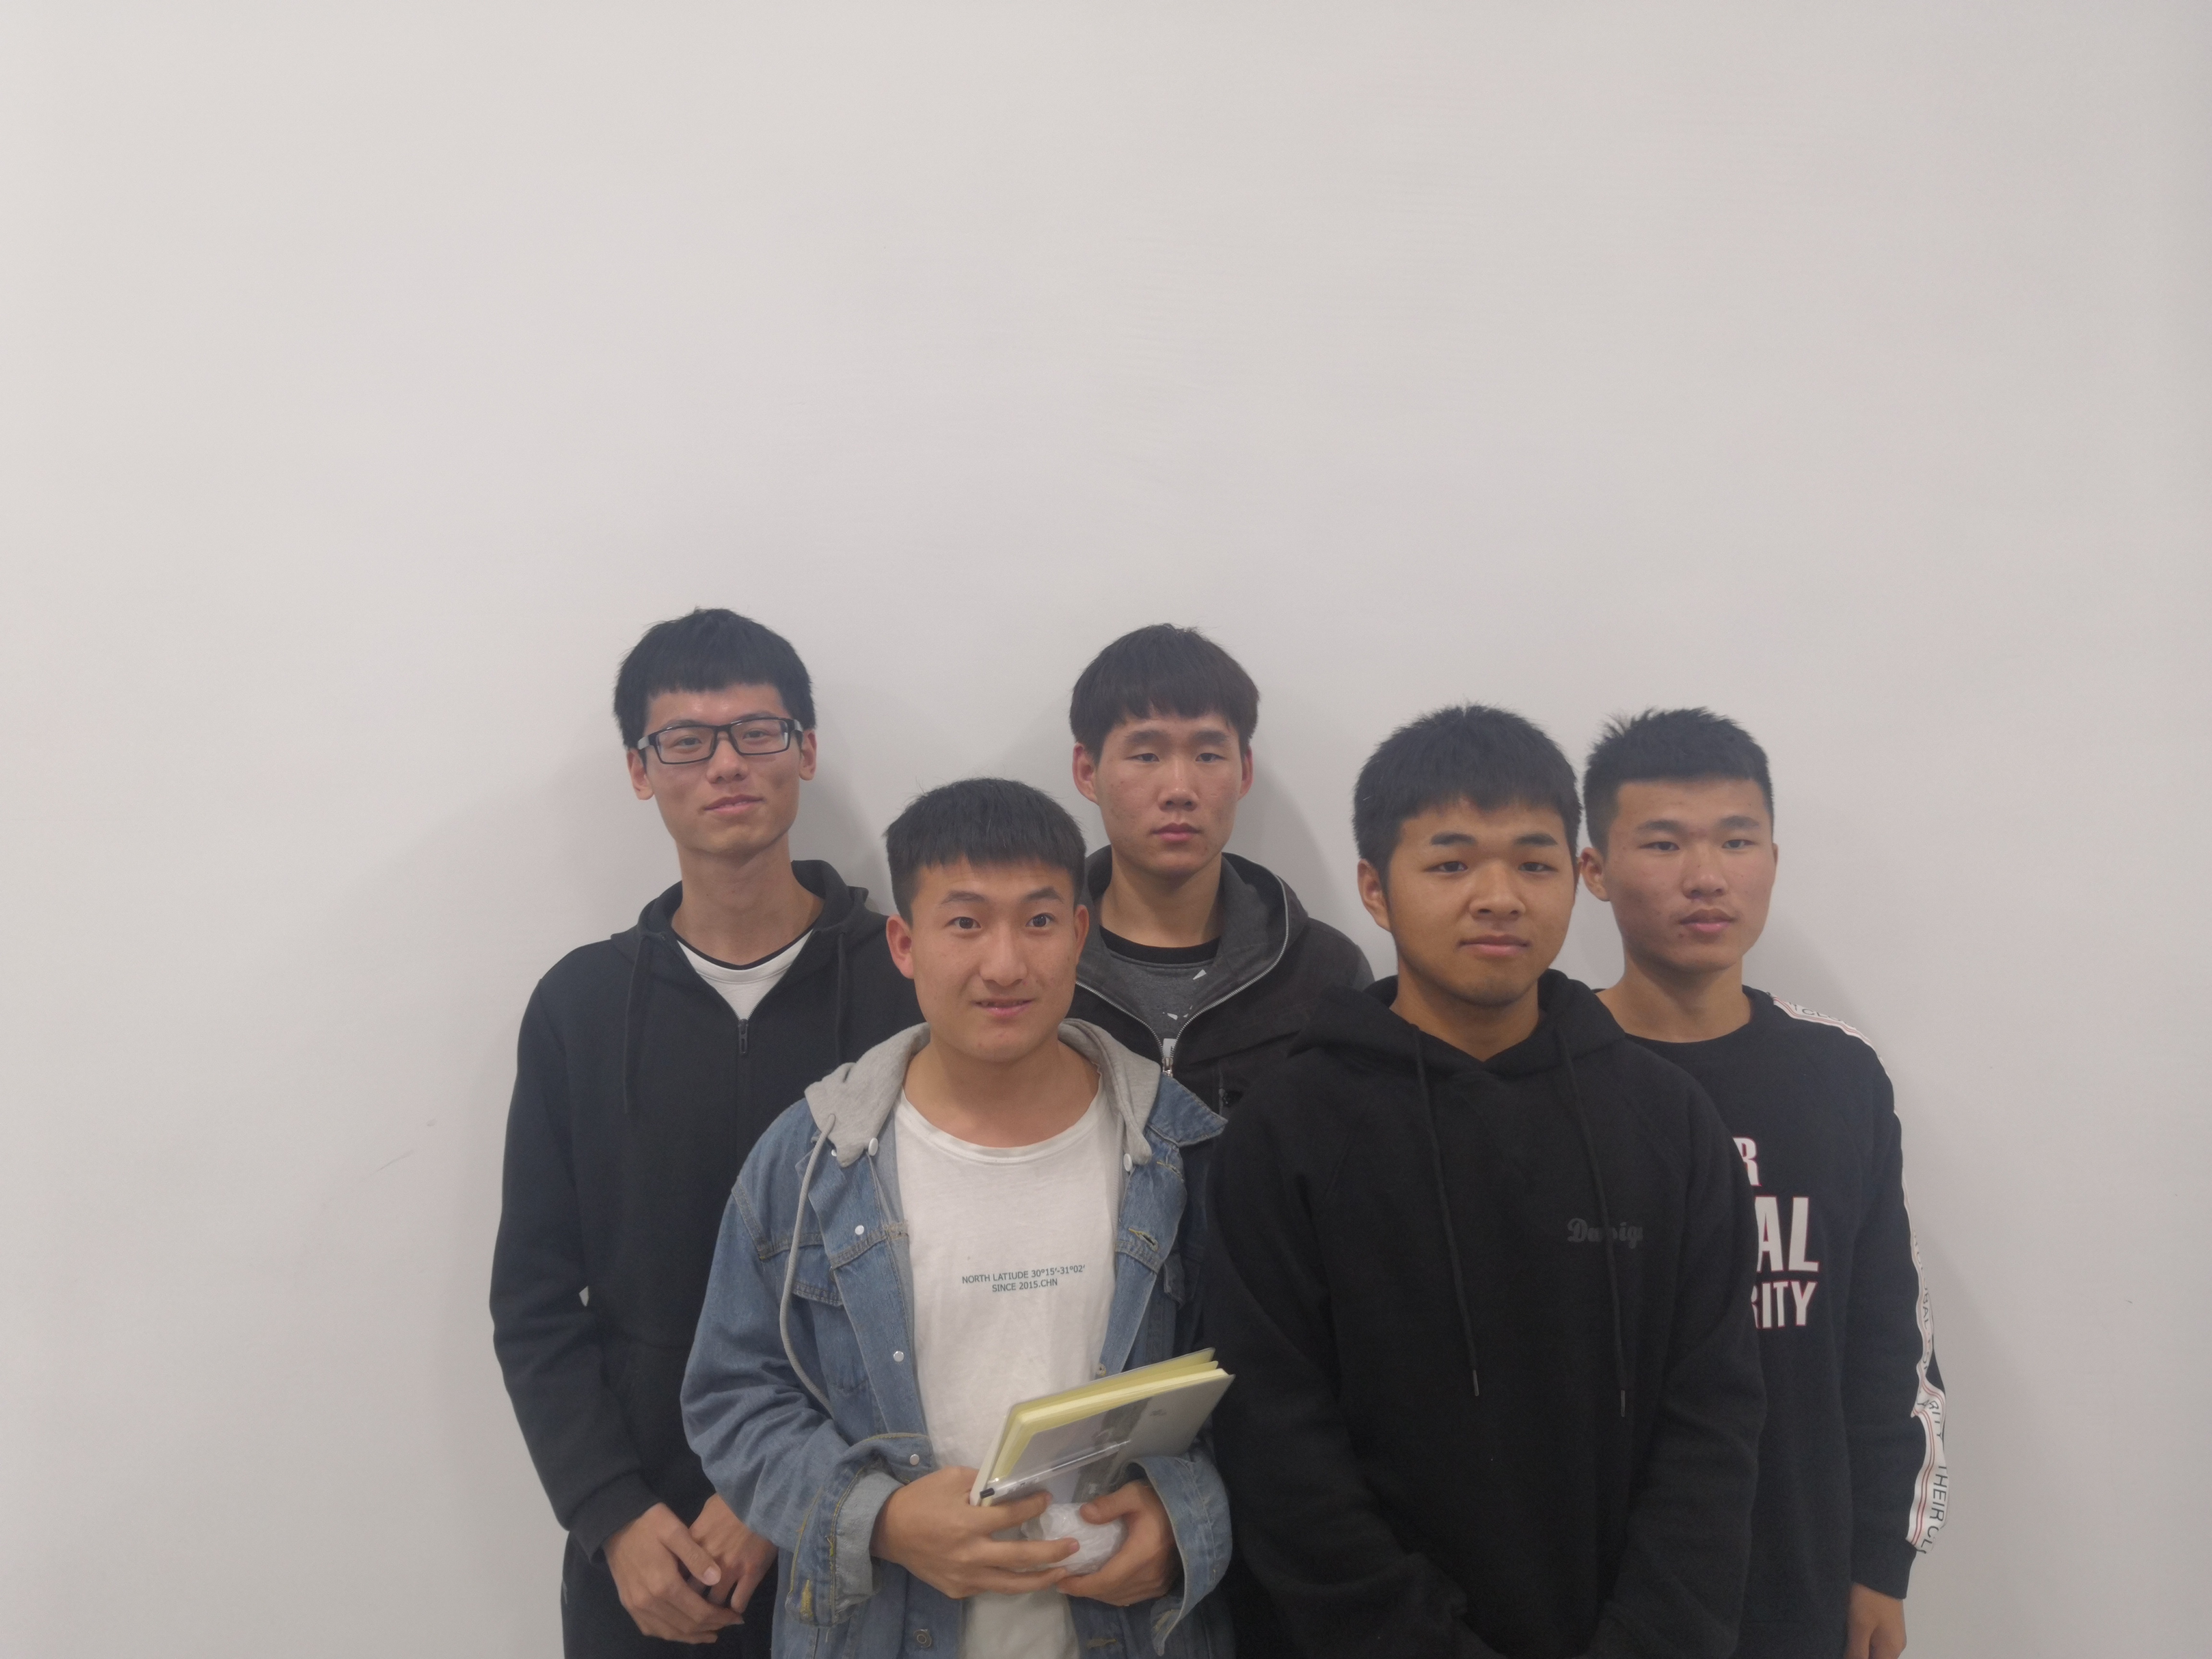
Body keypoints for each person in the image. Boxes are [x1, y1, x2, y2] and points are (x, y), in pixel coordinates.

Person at [1205, 703, 1766, 1659]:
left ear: (1575, 878)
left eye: (1534, 864)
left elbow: (1712, 1418)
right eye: (1452, 864)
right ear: (1375, 889)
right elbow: (1278, 1443)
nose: (1499, 897)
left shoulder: (1667, 1120)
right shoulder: (1288, 1127)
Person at [681, 777, 1232, 1659]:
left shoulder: (1183, 1151)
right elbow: (732, 1398)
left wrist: (1185, 1518)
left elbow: (1263, 1395)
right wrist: (882, 1518)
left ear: (1078, 935)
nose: (1004, 965)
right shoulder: (809, 1161)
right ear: (905, 943)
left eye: (1038, 921)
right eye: (966, 922)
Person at [491, 608, 919, 1655]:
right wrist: (609, 1513)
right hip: (649, 1545)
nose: (726, 764)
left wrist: (787, 1483)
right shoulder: (580, 1006)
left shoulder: (906, 982)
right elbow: (535, 1300)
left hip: (872, 1513)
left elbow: (942, 1269)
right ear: (641, 771)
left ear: (804, 751)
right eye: (685, 740)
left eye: (757, 732)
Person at [1578, 709, 1946, 1659]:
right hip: (1596, 1580)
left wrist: (1881, 1560)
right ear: (1595, 869)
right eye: (1663, 843)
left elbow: (1888, 1339)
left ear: (1772, 862)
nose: (1705, 876)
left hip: (1801, 1574)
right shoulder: (1545, 1075)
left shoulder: (1838, 1073)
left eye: (1736, 841)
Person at [1068, 623, 1370, 1112]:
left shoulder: (1325, 972)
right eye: (1146, 755)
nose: (1179, 789)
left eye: (1209, 755)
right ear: (1088, 772)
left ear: (1244, 772)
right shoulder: (1036, 965)